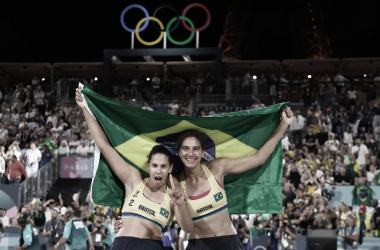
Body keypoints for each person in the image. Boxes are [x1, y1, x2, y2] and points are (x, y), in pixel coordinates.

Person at [76, 88, 193, 250]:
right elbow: (104, 145)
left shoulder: (173, 196)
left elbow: (188, 228)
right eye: (155, 166)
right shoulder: (133, 179)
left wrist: (181, 204)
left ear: (170, 168)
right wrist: (85, 108)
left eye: (163, 166)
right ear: (148, 166)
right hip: (122, 245)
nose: (158, 171)